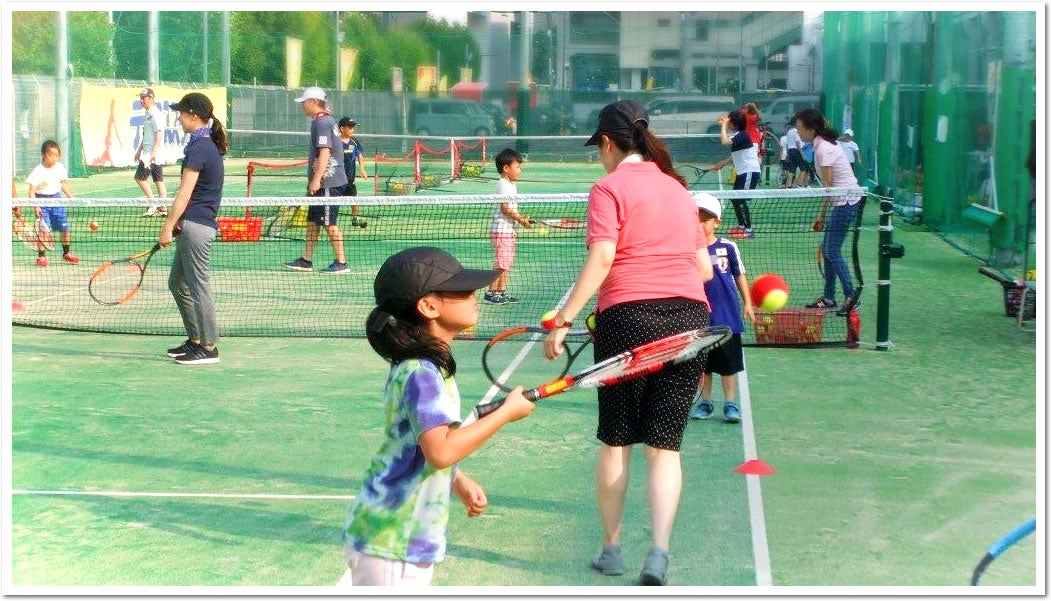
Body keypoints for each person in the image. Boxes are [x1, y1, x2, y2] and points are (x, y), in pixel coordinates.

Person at [543, 100, 714, 586]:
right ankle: (659, 552)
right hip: (688, 319)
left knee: (617, 441)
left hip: (629, 318)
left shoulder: (607, 188)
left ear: (606, 143)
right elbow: (703, 269)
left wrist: (563, 319)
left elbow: (602, 257)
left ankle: (613, 550)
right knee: (664, 447)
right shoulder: (680, 191)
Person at [339, 246, 535, 587]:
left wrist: (457, 479)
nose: (475, 296)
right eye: (461, 291)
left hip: (397, 539)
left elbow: (418, 443)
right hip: (393, 541)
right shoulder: (422, 372)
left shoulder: (424, 367)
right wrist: (505, 413)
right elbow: (440, 450)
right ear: (428, 306)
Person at [161, 92, 227, 365]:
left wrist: (168, 226)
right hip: (192, 224)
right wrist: (178, 222)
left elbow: (185, 193)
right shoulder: (200, 144)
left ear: (194, 115)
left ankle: (209, 348)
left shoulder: (201, 148)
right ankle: (196, 339)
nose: (179, 117)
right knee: (177, 282)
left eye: (182, 113)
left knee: (199, 286)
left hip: (197, 226)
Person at [689, 194, 755, 423]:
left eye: (705, 219)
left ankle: (730, 403)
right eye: (696, 218)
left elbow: (739, 274)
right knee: (703, 364)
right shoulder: (687, 249)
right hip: (700, 316)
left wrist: (747, 302)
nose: (700, 224)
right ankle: (705, 402)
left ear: (716, 222)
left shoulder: (728, 247)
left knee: (729, 365)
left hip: (727, 315)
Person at [794, 107, 863, 317]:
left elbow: (829, 188)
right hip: (843, 200)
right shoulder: (820, 145)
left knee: (831, 251)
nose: (798, 132)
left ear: (812, 129)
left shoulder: (824, 149)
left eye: (800, 129)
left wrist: (821, 215)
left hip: (847, 201)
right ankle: (829, 297)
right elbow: (831, 189)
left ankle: (851, 296)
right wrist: (822, 215)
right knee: (827, 249)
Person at [284, 87, 350, 274]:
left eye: (304, 102)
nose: (302, 106)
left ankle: (341, 263)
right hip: (324, 182)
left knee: (329, 224)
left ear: (313, 102)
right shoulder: (324, 121)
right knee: (313, 221)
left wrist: (316, 181)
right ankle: (306, 260)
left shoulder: (322, 122)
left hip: (329, 183)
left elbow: (325, 153)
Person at [484, 148, 531, 305]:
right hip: (501, 230)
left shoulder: (511, 185)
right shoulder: (503, 184)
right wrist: (521, 219)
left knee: (506, 262)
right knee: (501, 263)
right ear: (506, 168)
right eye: (517, 167)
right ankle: (491, 293)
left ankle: (501, 292)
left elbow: (511, 208)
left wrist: (520, 219)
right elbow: (505, 208)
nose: (520, 171)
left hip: (508, 230)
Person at [705, 109, 760, 239]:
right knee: (734, 197)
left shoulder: (741, 135)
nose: (727, 123)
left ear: (734, 124)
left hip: (749, 171)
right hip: (743, 172)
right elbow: (736, 155)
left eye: (729, 121)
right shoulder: (739, 136)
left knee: (739, 199)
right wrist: (721, 164)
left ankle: (749, 230)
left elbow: (724, 141)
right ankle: (741, 226)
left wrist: (723, 124)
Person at [25, 140, 79, 267]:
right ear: (43, 155)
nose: (54, 158)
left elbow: (63, 184)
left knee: (65, 228)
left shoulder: (59, 167)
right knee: (43, 231)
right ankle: (41, 257)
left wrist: (71, 197)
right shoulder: (38, 171)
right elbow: (31, 192)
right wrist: (36, 206)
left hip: (57, 200)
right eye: (51, 155)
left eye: (56, 155)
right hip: (42, 201)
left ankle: (67, 253)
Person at [135, 87, 168, 217]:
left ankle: (153, 204)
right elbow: (146, 135)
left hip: (152, 152)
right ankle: (163, 208)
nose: (142, 100)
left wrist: (154, 151)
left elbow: (158, 132)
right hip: (149, 151)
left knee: (139, 178)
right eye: (141, 98)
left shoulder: (155, 113)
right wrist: (139, 151)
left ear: (151, 98)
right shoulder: (148, 113)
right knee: (158, 180)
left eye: (144, 98)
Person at [338, 116, 369, 229]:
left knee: (354, 200)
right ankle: (328, 219)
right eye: (350, 127)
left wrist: (362, 169)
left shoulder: (354, 142)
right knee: (331, 201)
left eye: (353, 127)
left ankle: (355, 219)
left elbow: (360, 155)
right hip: (337, 179)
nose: (353, 130)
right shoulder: (335, 141)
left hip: (350, 179)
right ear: (342, 128)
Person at [784, 120, 804, 187]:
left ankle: (788, 185)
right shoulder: (796, 131)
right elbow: (797, 143)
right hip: (796, 151)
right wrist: (802, 154)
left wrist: (787, 154)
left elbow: (787, 144)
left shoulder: (789, 132)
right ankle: (799, 184)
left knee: (792, 169)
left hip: (790, 151)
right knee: (803, 169)